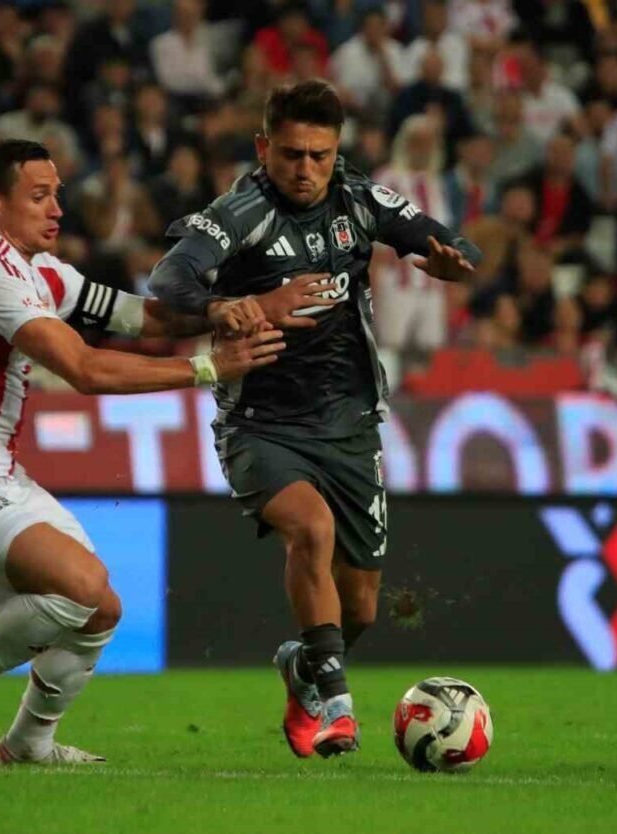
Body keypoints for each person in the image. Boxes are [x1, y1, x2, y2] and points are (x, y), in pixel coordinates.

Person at [0, 139, 319, 768]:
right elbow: (85, 369)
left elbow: (144, 317)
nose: (57, 208)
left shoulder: (41, 271)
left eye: (57, 193)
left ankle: (29, 744)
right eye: (39, 195)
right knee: (80, 586)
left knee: (99, 610)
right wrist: (209, 368)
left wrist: (230, 310)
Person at [148, 81, 481, 759]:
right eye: (292, 154)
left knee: (359, 608)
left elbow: (442, 238)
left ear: (337, 152)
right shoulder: (239, 213)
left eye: (320, 155)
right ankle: (338, 708)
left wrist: (451, 260)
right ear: (263, 147)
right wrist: (222, 307)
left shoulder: (358, 199)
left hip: (350, 421)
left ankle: (304, 667)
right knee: (311, 527)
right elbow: (168, 280)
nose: (306, 169)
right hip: (261, 422)